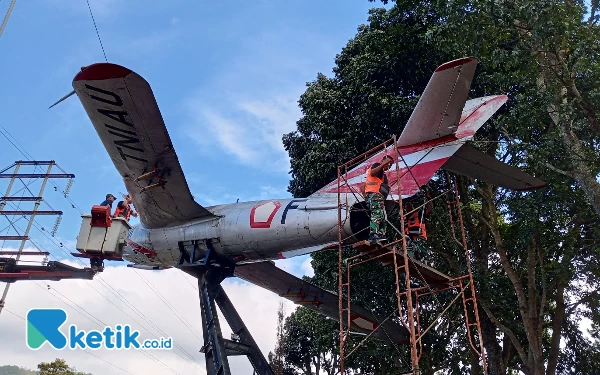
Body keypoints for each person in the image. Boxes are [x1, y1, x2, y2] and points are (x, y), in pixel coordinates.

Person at [364, 155, 394, 244]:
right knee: (377, 213)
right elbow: (373, 173)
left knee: (383, 217)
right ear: (383, 161)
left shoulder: (383, 176)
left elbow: (385, 189)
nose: (389, 166)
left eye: (391, 165)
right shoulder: (376, 166)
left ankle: (381, 235)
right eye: (388, 164)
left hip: (379, 196)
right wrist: (383, 164)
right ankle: (373, 234)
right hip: (373, 194)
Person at [404, 191, 433, 261]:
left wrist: (428, 198)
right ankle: (412, 261)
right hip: (412, 240)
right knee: (410, 253)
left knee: (421, 254)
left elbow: (429, 209)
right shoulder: (405, 220)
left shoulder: (418, 214)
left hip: (420, 238)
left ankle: (424, 261)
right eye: (406, 206)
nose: (408, 207)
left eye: (410, 205)